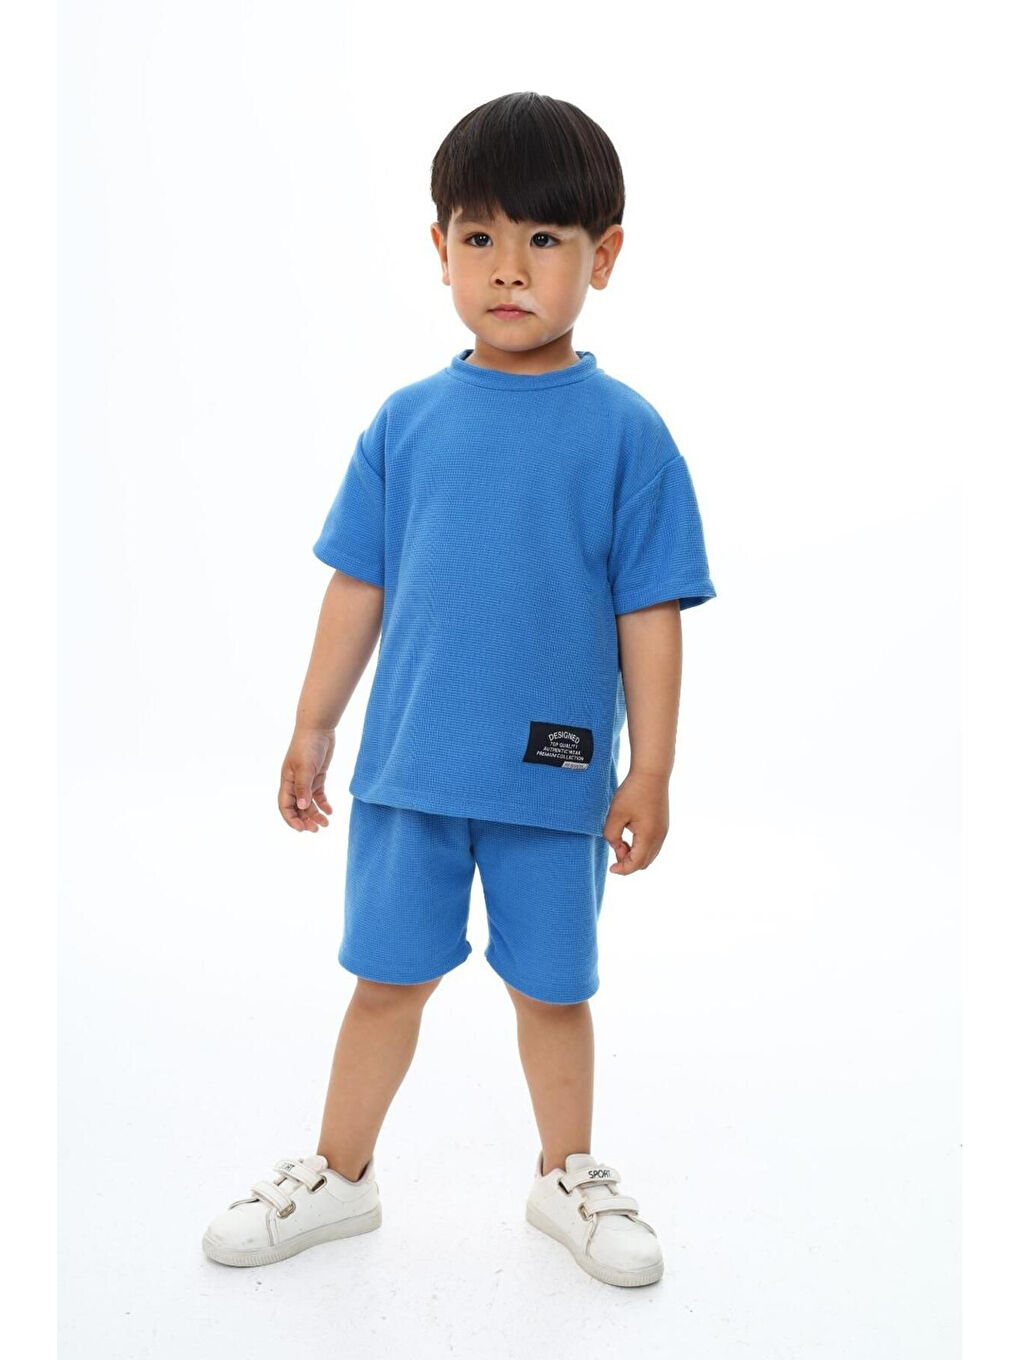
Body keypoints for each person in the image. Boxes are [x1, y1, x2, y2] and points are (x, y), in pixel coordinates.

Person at [202, 91, 716, 1289]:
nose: (509, 267)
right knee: (386, 981)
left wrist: (650, 767)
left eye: (544, 238)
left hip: (552, 772)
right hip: (410, 775)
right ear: (439, 249)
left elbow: (650, 614)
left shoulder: (628, 436)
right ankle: (340, 1175)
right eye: (480, 236)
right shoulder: (406, 423)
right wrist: (312, 725)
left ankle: (566, 1175)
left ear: (604, 255)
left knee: (553, 990)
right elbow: (357, 586)